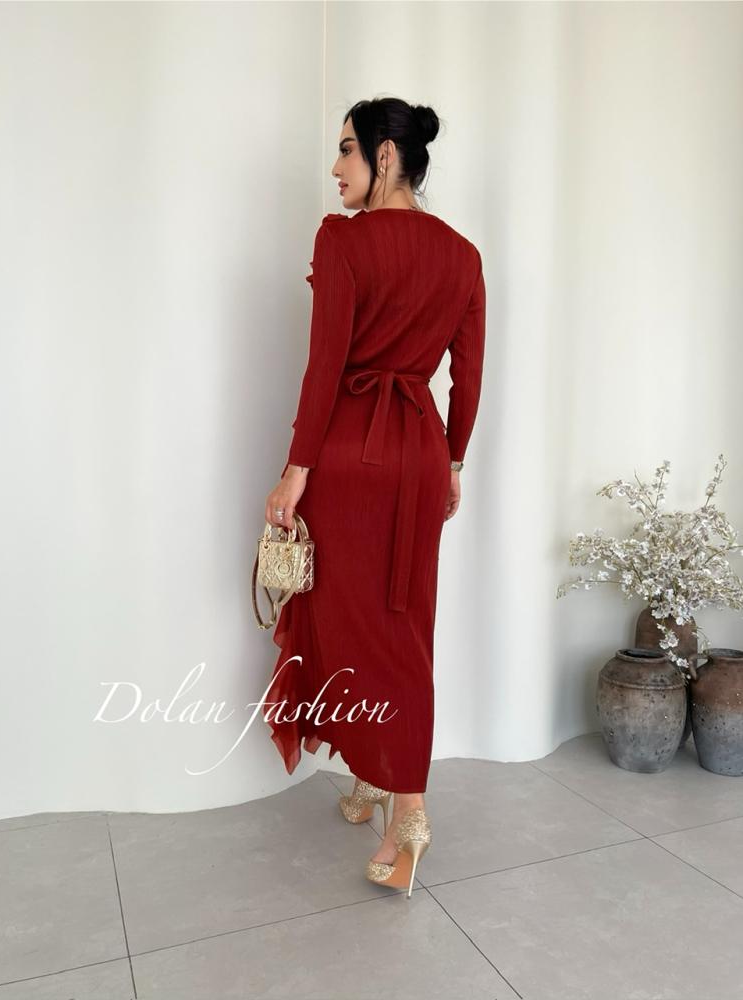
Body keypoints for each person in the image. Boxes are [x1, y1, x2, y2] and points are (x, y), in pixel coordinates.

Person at [263, 97, 486, 897]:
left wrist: (296, 469)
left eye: (347, 149)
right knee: (402, 620)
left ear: (386, 155)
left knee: (350, 617)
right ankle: (372, 772)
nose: (336, 168)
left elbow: (325, 365)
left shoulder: (343, 239)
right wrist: (452, 461)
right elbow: (469, 374)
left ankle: (411, 812)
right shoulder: (463, 255)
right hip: (418, 453)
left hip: (351, 453)